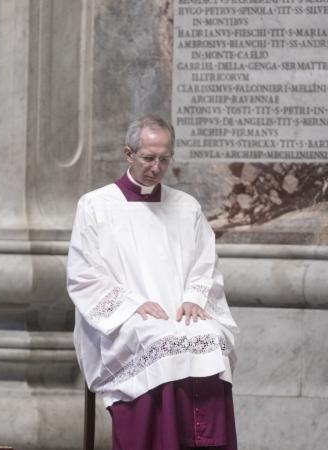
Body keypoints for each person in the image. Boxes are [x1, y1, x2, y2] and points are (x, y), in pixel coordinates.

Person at [66, 115, 239, 449]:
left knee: (212, 336)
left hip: (178, 312)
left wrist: (194, 298)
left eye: (164, 159)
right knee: (156, 340)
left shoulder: (186, 207)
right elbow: (83, 275)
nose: (157, 167)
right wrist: (131, 305)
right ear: (129, 153)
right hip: (124, 319)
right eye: (149, 157)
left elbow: (205, 263)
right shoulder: (96, 206)